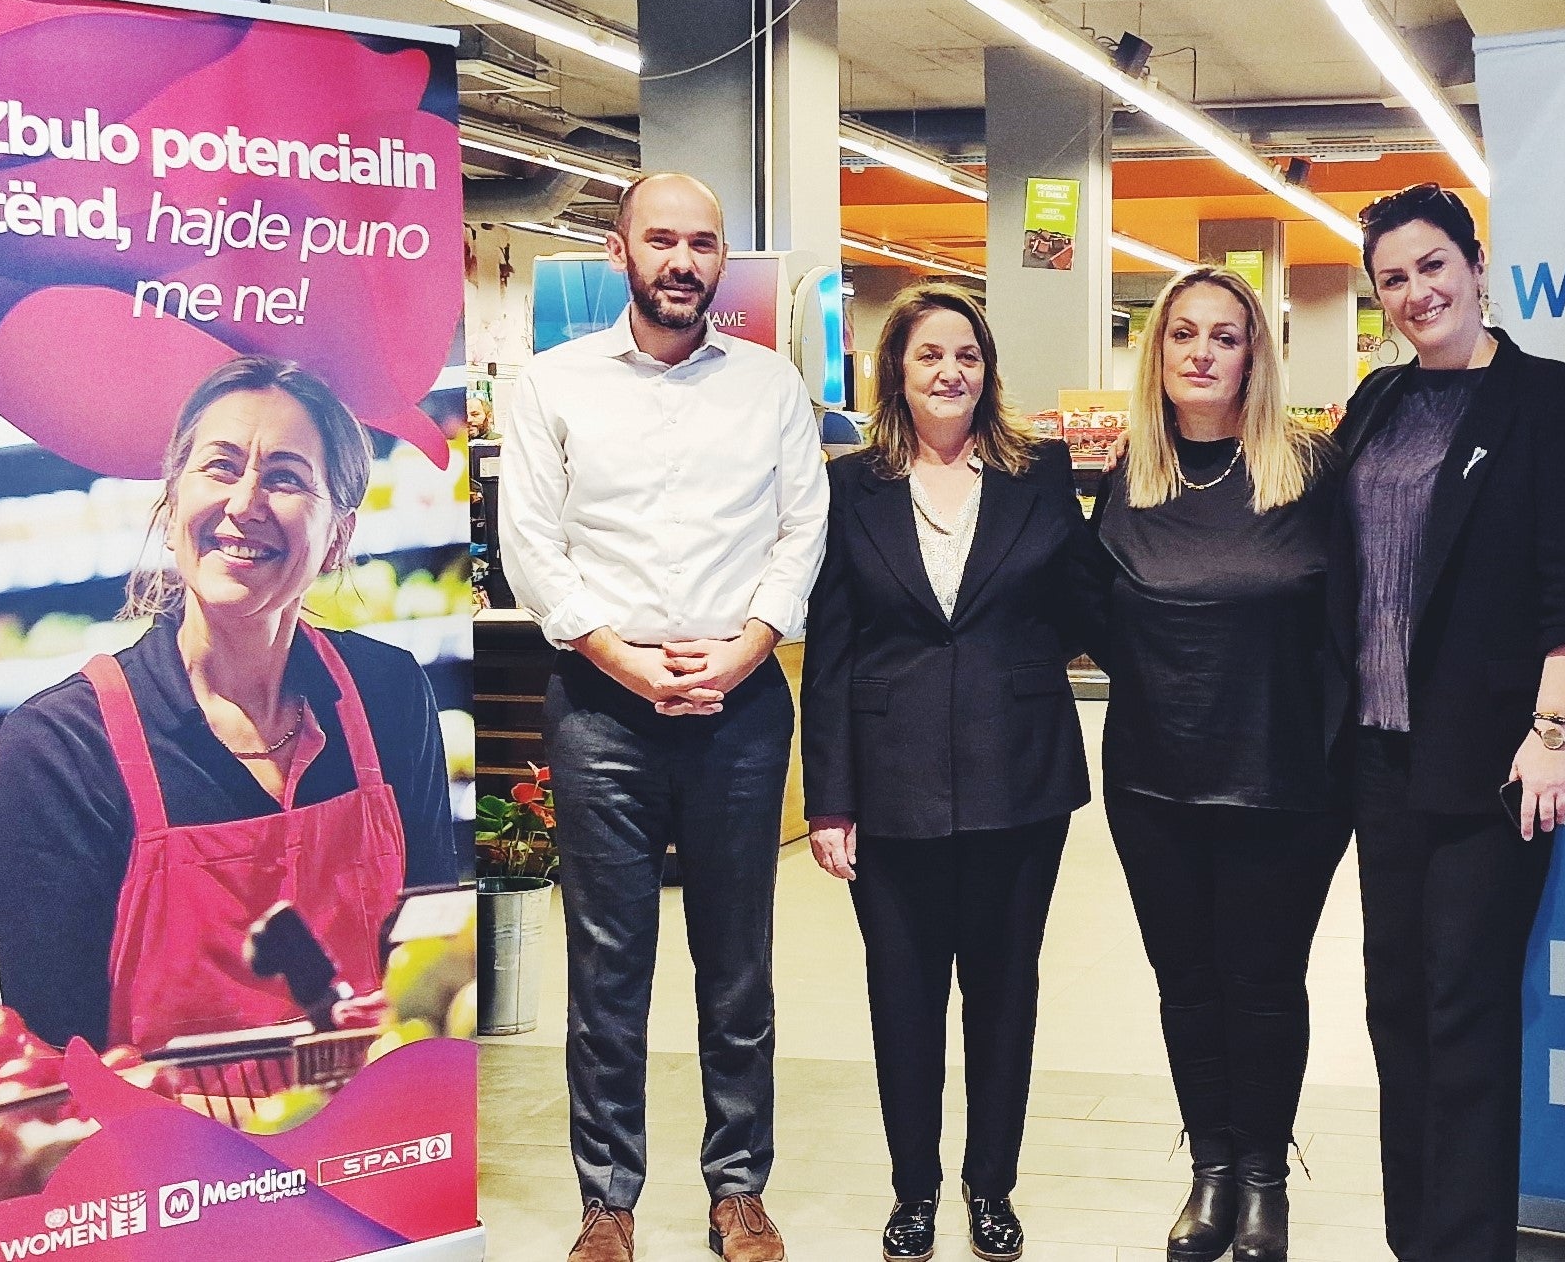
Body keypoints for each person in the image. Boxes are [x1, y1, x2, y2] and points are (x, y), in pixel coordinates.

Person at [498, 172, 829, 1262]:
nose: (682, 261)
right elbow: (533, 547)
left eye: (703, 243)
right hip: (601, 706)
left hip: (739, 705)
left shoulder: (772, 384)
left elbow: (801, 533)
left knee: (737, 960)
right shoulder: (551, 385)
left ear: (721, 259)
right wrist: (624, 662)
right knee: (607, 963)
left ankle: (737, 1189)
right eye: (662, 240)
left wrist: (741, 653)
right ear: (620, 252)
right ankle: (608, 1201)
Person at [0, 357, 458, 1053]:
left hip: (372, 1138)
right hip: (167, 1154)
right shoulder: (62, 745)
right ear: (172, 503)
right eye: (221, 466)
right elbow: (54, 1063)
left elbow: (437, 967)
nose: (245, 502)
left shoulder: (388, 694)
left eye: (287, 477)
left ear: (339, 536)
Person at [1327, 184, 1565, 1262]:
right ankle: (1420, 1242)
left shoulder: (1552, 400)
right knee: (1395, 1009)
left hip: (1495, 764)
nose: (1416, 293)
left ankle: (1465, 1248)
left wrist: (1552, 738)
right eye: (1392, 279)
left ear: (1476, 264)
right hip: (1379, 756)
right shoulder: (1374, 404)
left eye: (1431, 266)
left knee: (1465, 1013)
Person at [802, 283, 1094, 1262]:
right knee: (904, 999)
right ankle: (913, 1191)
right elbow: (832, 655)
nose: (949, 371)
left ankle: (992, 1187)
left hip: (1021, 780)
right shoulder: (853, 488)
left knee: (1006, 996)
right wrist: (828, 801)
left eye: (965, 354)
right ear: (897, 370)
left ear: (987, 367)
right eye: (929, 355)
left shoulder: (1037, 473)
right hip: (889, 787)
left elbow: (1079, 603)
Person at [1088, 266, 1347, 1262]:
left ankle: (1263, 1182)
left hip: (1286, 779)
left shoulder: (1311, 472)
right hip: (1154, 779)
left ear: (1256, 353)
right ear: (1156, 351)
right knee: (1186, 981)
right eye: (1182, 333)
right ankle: (1209, 1172)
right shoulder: (1130, 476)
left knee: (1264, 980)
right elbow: (1097, 615)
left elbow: (1360, 618)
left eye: (1225, 335)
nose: (1201, 351)